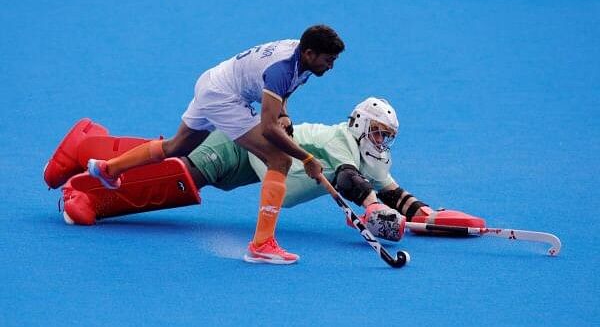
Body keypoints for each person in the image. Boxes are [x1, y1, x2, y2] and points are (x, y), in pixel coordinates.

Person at [45, 97, 485, 254]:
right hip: (244, 144)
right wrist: (371, 209)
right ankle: (88, 195)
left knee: (179, 167)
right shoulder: (340, 141)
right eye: (376, 131)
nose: (380, 140)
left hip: (252, 168)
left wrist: (426, 214)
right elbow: (351, 181)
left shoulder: (374, 161)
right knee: (179, 178)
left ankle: (88, 143)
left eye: (386, 136)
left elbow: (390, 191)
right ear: (358, 124)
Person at [77, 25, 345, 264]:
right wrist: (307, 159)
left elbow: (282, 94)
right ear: (309, 53)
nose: (331, 66)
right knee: (280, 160)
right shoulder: (282, 68)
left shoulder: (300, 57)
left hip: (212, 81)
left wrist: (283, 114)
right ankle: (262, 245)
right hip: (223, 96)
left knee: (177, 146)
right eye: (328, 60)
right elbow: (268, 128)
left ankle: (108, 168)